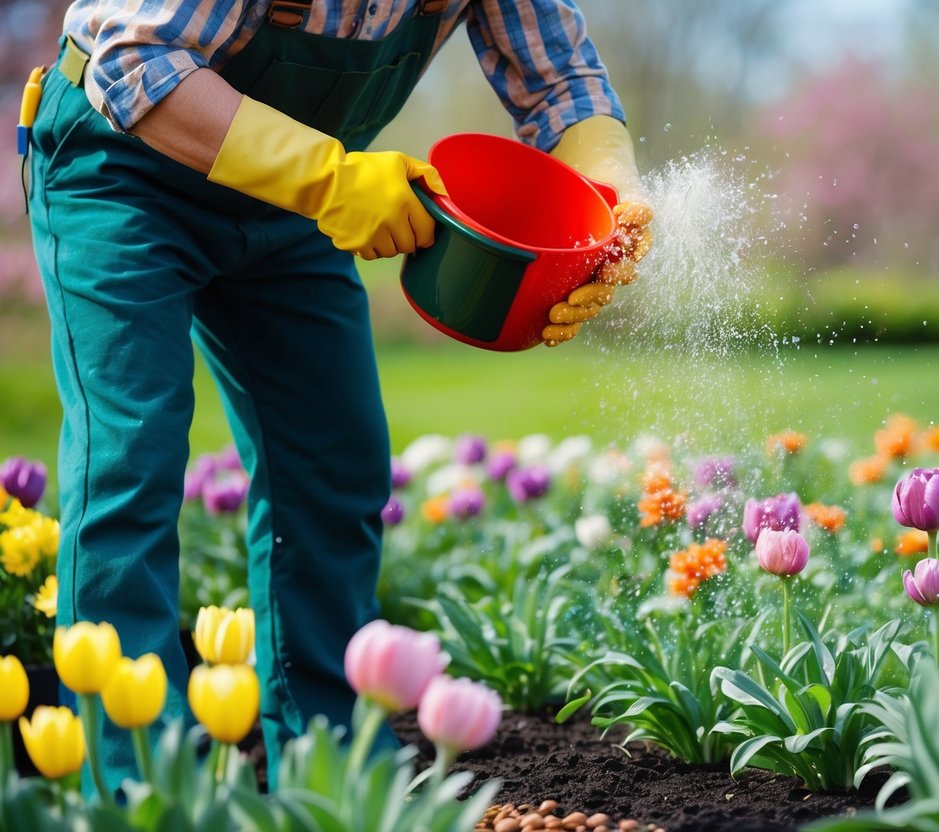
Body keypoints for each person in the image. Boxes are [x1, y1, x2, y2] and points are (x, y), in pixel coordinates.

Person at [25, 0, 652, 793]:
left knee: (334, 464)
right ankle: (140, 781)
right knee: (130, 459)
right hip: (124, 171)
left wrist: (609, 204)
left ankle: (325, 767)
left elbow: (561, 82)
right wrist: (327, 180)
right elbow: (133, 64)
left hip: (286, 203)